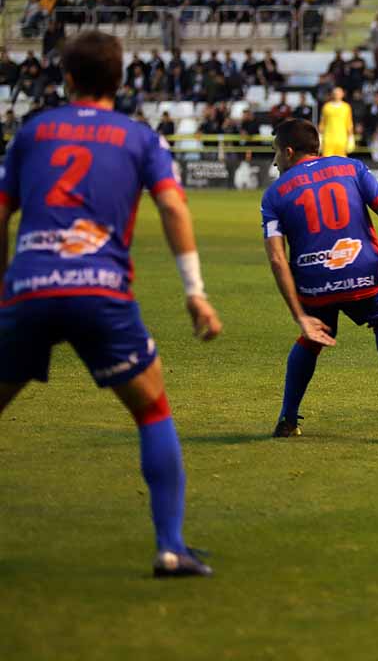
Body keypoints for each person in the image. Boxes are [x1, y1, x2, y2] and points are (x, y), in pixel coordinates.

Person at [0, 31, 223, 577]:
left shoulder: (33, 132)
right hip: (101, 289)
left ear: (67, 77)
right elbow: (173, 206)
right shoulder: (139, 137)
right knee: (151, 408)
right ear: (121, 81)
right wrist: (194, 291)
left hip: (28, 287)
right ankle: (170, 546)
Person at [261, 118, 378, 440]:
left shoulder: (273, 195)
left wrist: (300, 316)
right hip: (362, 273)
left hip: (314, 284)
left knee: (311, 339)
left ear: (288, 151)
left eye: (275, 153)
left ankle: (287, 419)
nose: (274, 162)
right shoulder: (352, 169)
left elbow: (276, 257)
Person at [319, 86, 353, 157]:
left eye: (338, 93)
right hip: (328, 139)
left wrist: (350, 137)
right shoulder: (326, 107)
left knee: (341, 161)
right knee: (327, 161)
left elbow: (349, 123)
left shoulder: (346, 107)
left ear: (342, 94)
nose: (336, 95)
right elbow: (322, 122)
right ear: (332, 94)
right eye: (335, 93)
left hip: (342, 139)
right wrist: (320, 136)